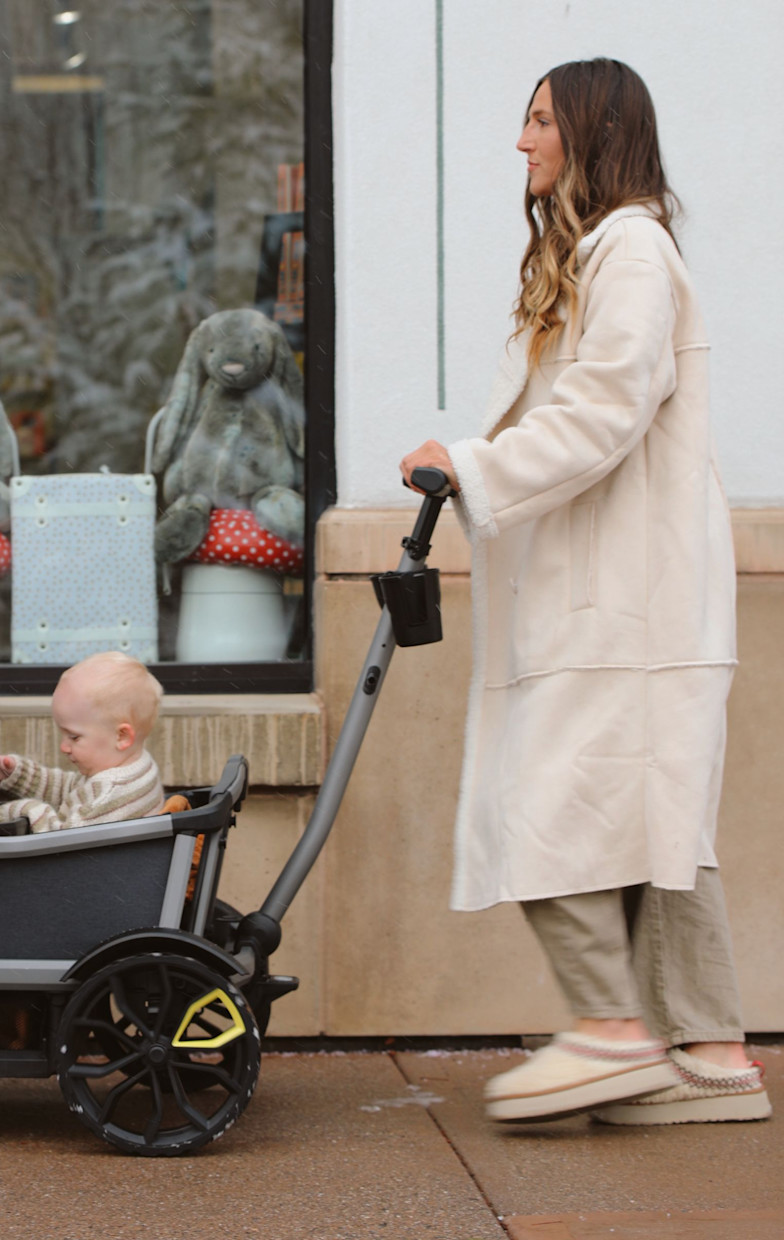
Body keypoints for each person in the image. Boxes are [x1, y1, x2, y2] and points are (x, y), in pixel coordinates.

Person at [400, 58, 770, 1126]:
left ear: (593, 135)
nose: (522, 144)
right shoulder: (602, 254)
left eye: (539, 123)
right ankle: (712, 1055)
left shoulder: (633, 253)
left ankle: (610, 1028)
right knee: (656, 824)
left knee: (542, 800)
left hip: (625, 602)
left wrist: (469, 463)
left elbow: (605, 412)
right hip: (617, 596)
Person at [0, 651, 165, 833]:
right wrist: (16, 774)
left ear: (121, 737)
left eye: (74, 737)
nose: (64, 747)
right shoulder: (134, 767)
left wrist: (24, 811)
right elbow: (71, 790)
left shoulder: (109, 794)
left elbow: (61, 843)